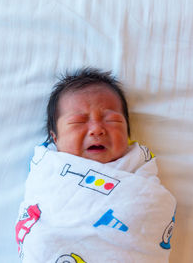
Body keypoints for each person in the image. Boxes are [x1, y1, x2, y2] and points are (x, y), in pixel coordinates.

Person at [16, 68, 176, 263]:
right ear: (55, 137)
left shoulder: (138, 165)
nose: (97, 129)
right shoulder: (49, 169)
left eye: (112, 120)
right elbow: (41, 227)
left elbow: (152, 207)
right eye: (78, 121)